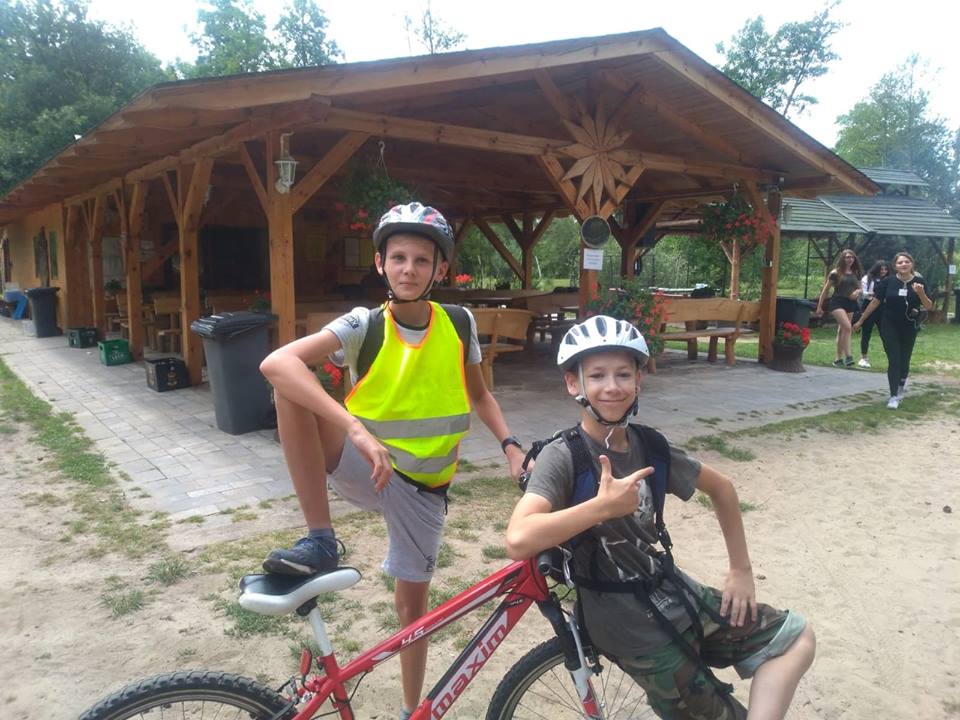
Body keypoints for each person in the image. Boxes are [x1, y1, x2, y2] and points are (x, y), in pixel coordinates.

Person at [259, 202, 525, 719]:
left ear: (440, 269)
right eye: (398, 258)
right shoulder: (363, 324)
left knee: (412, 612)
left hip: (424, 490)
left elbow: (480, 395)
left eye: (422, 260)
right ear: (380, 263)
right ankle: (320, 538)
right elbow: (276, 362)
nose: (409, 269)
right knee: (287, 387)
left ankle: (409, 710)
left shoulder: (459, 323)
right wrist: (354, 428)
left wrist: (511, 445)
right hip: (370, 468)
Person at [506, 316, 815, 719]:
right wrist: (601, 507)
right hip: (625, 624)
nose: (612, 386)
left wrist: (741, 569)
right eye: (596, 375)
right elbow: (518, 538)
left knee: (796, 638)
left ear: (638, 381)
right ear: (572, 383)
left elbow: (722, 488)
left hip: (671, 590)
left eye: (623, 374)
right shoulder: (564, 456)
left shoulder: (649, 445)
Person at [854, 251, 933, 409]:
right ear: (895, 266)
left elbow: (929, 305)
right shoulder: (888, 282)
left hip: (909, 325)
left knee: (904, 359)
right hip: (889, 324)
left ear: (911, 264)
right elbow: (875, 302)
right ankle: (893, 396)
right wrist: (861, 320)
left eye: (906, 261)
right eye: (900, 262)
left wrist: (921, 293)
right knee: (894, 359)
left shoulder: (919, 281)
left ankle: (901, 383)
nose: (903, 264)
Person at [815, 249, 864, 367]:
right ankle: (848, 356)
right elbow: (826, 290)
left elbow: (860, 288)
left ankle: (837, 359)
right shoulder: (835, 273)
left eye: (852, 257)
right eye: (847, 257)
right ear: (842, 259)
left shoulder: (855, 272)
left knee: (842, 330)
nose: (850, 259)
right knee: (847, 327)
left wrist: (857, 292)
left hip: (850, 303)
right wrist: (819, 307)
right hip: (837, 302)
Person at [856, 260, 890, 368]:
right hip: (869, 306)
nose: (883, 271)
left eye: (885, 269)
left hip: (883, 308)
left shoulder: (889, 279)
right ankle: (863, 357)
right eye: (881, 269)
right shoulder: (867, 278)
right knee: (866, 333)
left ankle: (891, 357)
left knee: (884, 333)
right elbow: (863, 292)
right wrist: (871, 295)